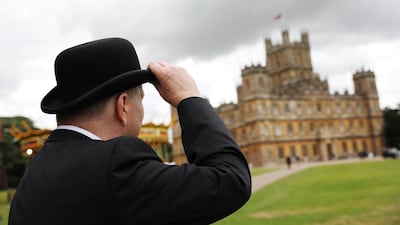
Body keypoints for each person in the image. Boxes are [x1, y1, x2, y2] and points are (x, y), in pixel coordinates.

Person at [8, 38, 251, 225]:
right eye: (141, 100)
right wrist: (190, 98)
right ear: (123, 106)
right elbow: (231, 181)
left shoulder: (33, 177)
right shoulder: (117, 164)